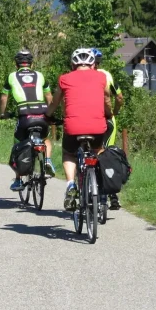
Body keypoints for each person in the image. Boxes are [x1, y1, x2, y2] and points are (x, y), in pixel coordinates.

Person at [45, 47, 113, 210]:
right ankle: (98, 185)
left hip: (73, 128)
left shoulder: (64, 79)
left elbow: (54, 102)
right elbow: (107, 101)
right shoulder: (102, 77)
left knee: (69, 153)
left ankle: (70, 185)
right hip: (97, 127)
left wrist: (47, 115)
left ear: (73, 63)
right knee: (97, 151)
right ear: (92, 63)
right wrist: (109, 114)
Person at [0, 49, 55, 192]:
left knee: (18, 144)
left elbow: (4, 98)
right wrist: (50, 114)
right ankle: (47, 160)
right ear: (32, 64)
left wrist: (2, 113)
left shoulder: (12, 76)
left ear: (16, 64)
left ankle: (18, 180)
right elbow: (49, 96)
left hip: (24, 115)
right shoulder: (40, 75)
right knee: (45, 139)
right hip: (41, 113)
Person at [94, 48, 125, 210]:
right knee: (108, 153)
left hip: (88, 120)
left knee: (90, 154)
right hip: (107, 120)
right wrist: (114, 113)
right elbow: (119, 97)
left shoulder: (81, 75)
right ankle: (113, 195)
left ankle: (89, 191)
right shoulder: (107, 76)